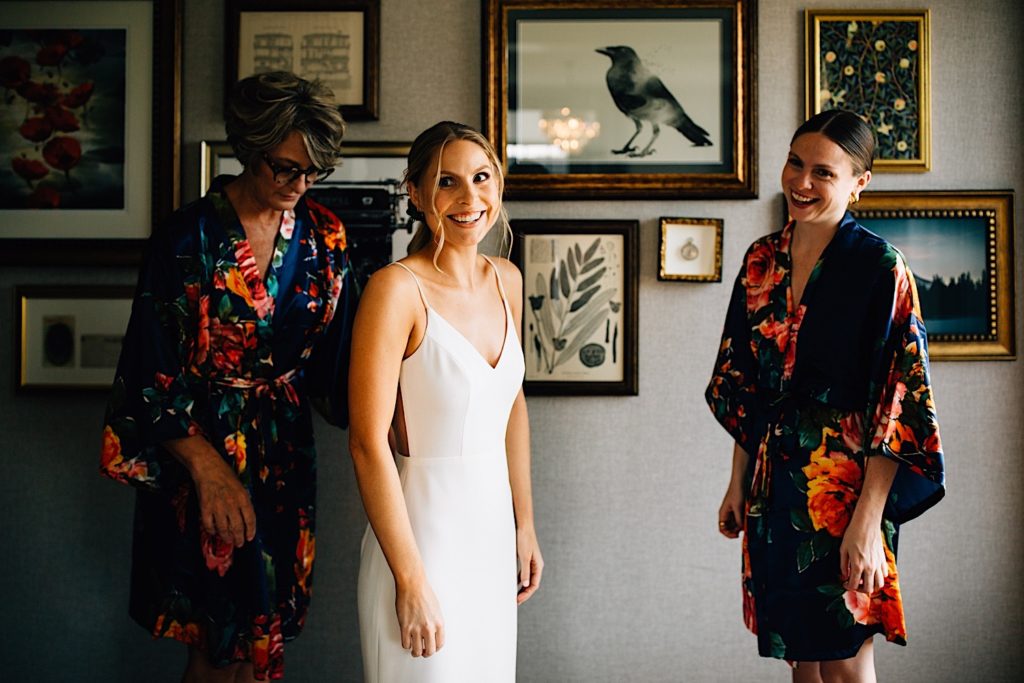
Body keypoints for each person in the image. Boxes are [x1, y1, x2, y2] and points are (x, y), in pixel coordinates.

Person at [99, 71, 352, 682]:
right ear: (248, 148)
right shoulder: (187, 238)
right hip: (200, 457)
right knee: (215, 648)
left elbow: (341, 362)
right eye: (285, 168)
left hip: (285, 455)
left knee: (261, 642)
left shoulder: (326, 236)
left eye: (313, 171)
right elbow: (147, 372)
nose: (299, 184)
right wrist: (210, 473)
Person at [706, 110, 945, 682]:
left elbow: (898, 403)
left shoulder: (880, 268)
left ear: (860, 182)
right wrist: (737, 483)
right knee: (803, 664)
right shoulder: (761, 261)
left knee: (845, 663)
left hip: (846, 488)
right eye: (794, 163)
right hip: (773, 483)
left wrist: (868, 521)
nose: (801, 182)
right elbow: (746, 384)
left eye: (823, 172)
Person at [348, 121, 543, 682]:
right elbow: (366, 444)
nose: (469, 199)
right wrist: (409, 580)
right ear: (415, 193)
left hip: (490, 539)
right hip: (421, 540)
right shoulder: (395, 290)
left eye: (481, 178)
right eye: (447, 182)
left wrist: (523, 524)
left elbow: (512, 407)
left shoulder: (506, 278)